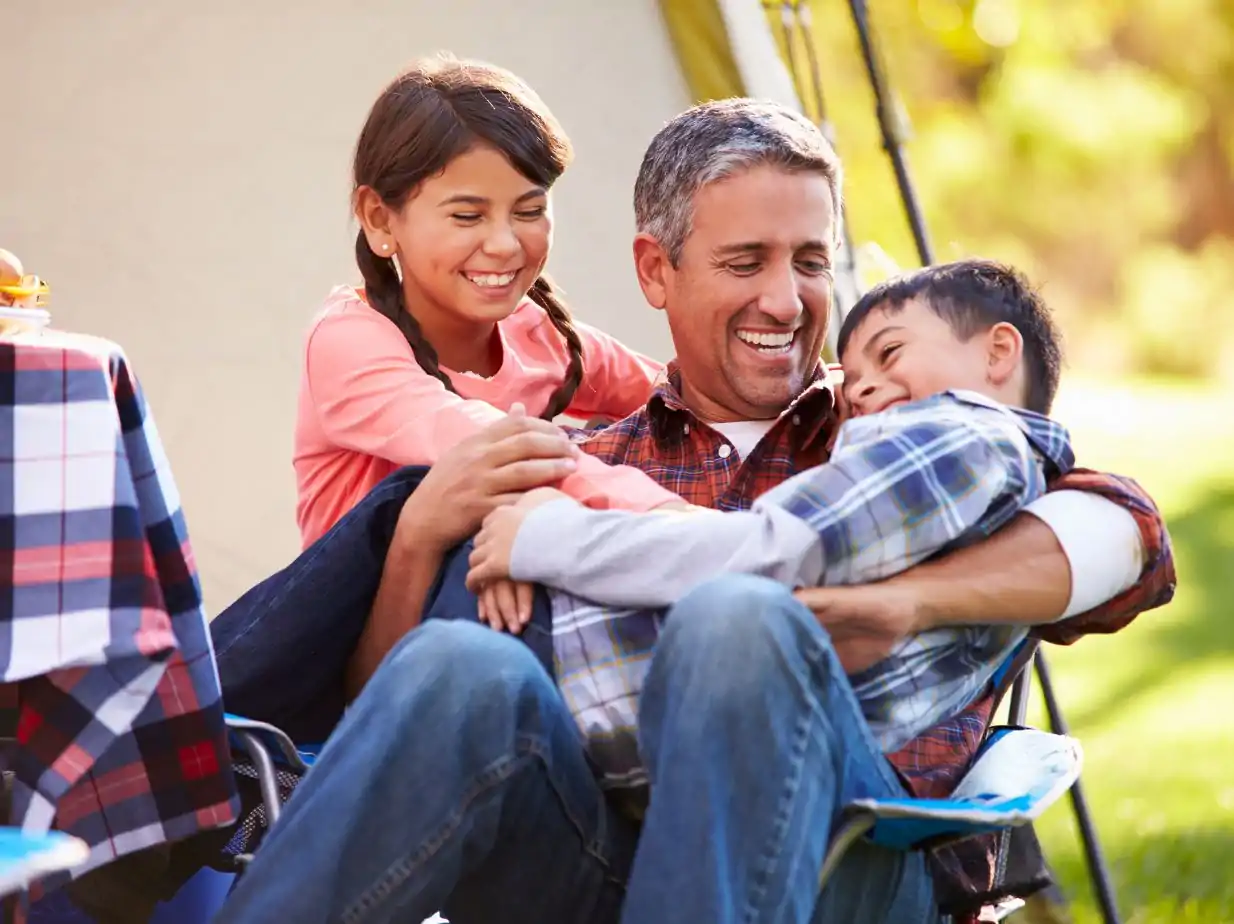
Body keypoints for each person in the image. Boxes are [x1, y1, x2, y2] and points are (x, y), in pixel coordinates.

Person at [213, 99, 1175, 924]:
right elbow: (374, 712)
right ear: (655, 272)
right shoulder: (583, 467)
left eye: (809, 260)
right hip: (596, 854)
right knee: (460, 666)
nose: (787, 299)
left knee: (738, 617)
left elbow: (1130, 531)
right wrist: (422, 538)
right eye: (745, 260)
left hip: (856, 854)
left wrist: (907, 602)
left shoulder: (895, 431)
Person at [461, 259, 1076, 792]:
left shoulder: (960, 439)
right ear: (657, 270)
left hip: (635, 717)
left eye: (889, 354)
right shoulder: (972, 475)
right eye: (855, 381)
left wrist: (543, 536)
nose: (861, 394)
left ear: (998, 352)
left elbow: (771, 552)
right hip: (625, 734)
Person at [294, 54, 682, 553]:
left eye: (529, 210)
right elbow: (496, 449)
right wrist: (670, 516)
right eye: (466, 215)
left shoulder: (541, 335)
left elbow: (684, 399)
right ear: (380, 220)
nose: (504, 244)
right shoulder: (347, 342)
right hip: (378, 621)